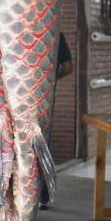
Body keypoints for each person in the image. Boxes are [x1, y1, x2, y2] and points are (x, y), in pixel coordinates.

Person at [40, 31, 73, 209]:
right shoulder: (55, 33)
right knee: (42, 143)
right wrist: (51, 80)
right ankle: (42, 196)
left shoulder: (17, 30)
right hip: (44, 97)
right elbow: (68, 67)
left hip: (16, 97)